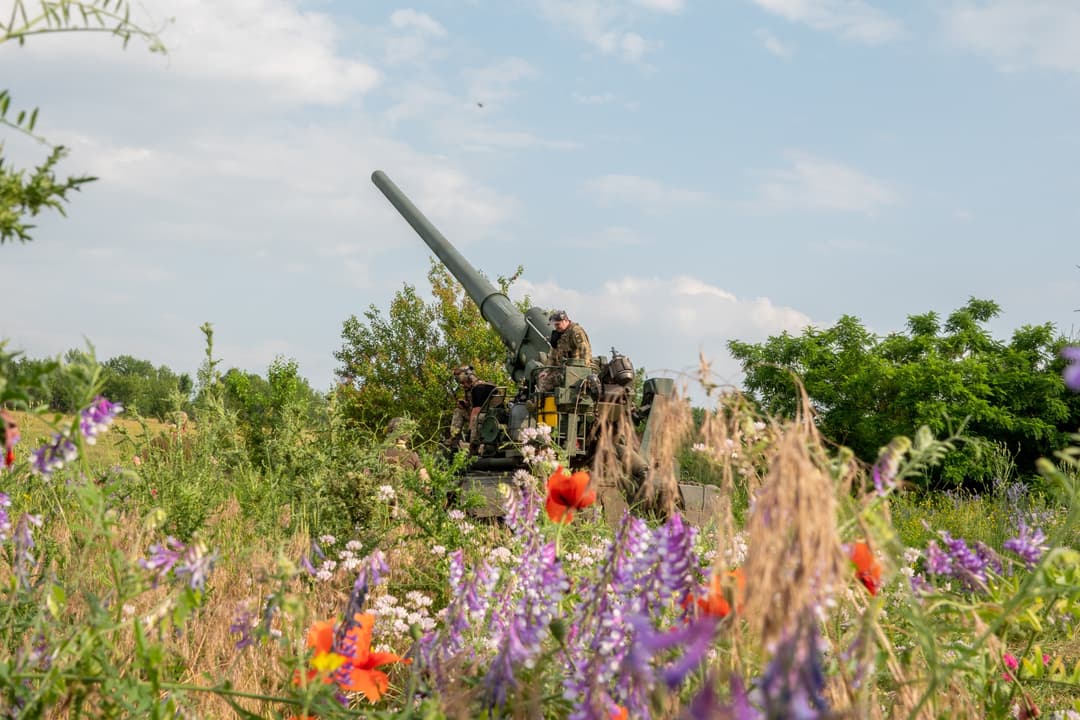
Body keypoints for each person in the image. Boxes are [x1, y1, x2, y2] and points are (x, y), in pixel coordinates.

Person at [538, 310, 593, 392]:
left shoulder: (576, 331)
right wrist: (546, 371)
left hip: (575, 371)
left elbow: (585, 352)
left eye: (558, 324)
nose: (556, 327)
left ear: (565, 321)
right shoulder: (558, 334)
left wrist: (584, 374)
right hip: (562, 370)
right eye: (555, 325)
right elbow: (553, 356)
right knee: (541, 378)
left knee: (546, 383)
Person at [449, 365, 496, 450]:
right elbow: (474, 404)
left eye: (463, 382)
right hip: (484, 414)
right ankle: (454, 438)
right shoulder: (471, 388)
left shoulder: (478, 388)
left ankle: (473, 445)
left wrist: (469, 431)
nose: (463, 385)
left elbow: (476, 410)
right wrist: (465, 404)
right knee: (459, 410)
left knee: (475, 418)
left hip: (485, 415)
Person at [383, 417, 429, 482]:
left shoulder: (379, 453)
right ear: (407, 436)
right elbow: (425, 480)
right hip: (406, 491)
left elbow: (366, 475)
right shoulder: (412, 455)